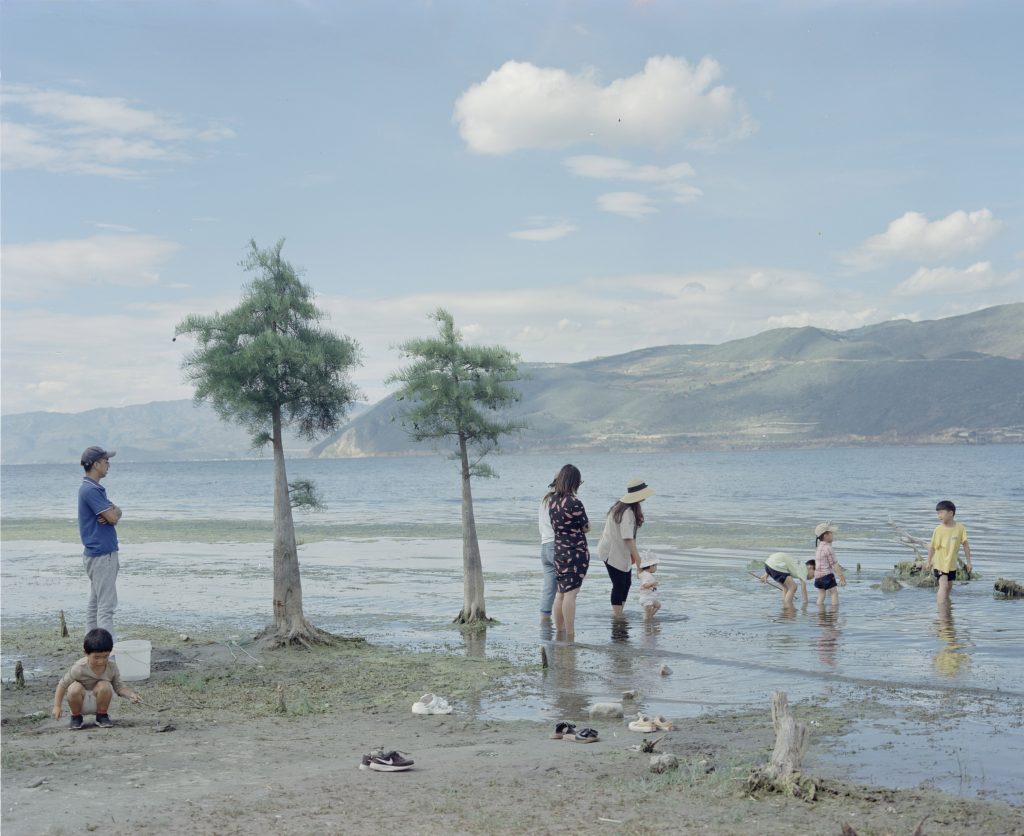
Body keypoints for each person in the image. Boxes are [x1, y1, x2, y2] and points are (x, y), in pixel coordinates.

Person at [52, 628, 142, 730]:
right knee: (74, 688)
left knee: (105, 685)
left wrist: (131, 695)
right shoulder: (79, 668)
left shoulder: (112, 667)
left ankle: (102, 716)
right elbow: (62, 685)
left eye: (105, 656)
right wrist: (57, 706)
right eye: (96, 657)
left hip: (100, 701)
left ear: (110, 653)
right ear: (85, 653)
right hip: (80, 702)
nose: (101, 661)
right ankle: (76, 717)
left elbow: (119, 688)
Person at [78, 446, 123, 639]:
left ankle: (92, 649)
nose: (108, 465)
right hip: (103, 555)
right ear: (96, 464)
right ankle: (106, 653)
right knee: (105, 607)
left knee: (95, 604)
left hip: (95, 554)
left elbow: (116, 513)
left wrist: (113, 512)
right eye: (105, 461)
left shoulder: (92, 489)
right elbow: (113, 518)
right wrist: (112, 514)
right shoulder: (90, 490)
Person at [596, 478, 655, 618]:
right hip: (611, 552)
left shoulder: (623, 507)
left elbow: (629, 538)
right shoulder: (627, 511)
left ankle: (619, 614)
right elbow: (628, 538)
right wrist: (639, 560)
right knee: (619, 584)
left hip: (615, 550)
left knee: (626, 583)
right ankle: (617, 617)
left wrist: (634, 557)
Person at [548, 464, 590, 642]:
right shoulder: (575, 502)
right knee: (571, 594)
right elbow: (586, 527)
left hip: (559, 549)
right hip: (576, 550)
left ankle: (559, 631)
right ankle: (570, 634)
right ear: (574, 482)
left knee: (561, 593)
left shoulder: (552, 502)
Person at [926, 500, 972, 604]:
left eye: (941, 512)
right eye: (938, 513)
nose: (939, 516)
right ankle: (941, 610)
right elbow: (932, 547)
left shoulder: (960, 528)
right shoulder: (938, 529)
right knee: (944, 585)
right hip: (940, 563)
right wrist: (928, 561)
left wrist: (969, 562)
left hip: (951, 564)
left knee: (949, 586)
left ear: (951, 513)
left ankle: (947, 605)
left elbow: (965, 545)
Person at [538, 477, 558, 622]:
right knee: (564, 590)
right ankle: (561, 625)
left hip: (544, 545)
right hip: (555, 545)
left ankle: (544, 622)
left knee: (549, 588)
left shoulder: (545, 499)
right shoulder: (559, 500)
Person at [813, 522, 847, 607]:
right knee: (834, 593)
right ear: (825, 536)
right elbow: (834, 564)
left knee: (821, 595)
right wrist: (841, 577)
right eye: (831, 533)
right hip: (827, 576)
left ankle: (820, 613)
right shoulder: (828, 548)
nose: (832, 535)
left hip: (817, 577)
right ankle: (834, 612)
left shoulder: (819, 547)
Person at [637, 552, 661, 619]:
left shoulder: (645, 574)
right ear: (651, 566)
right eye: (655, 566)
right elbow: (645, 585)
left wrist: (653, 586)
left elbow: (638, 574)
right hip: (646, 599)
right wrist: (652, 584)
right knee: (647, 613)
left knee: (658, 605)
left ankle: (650, 616)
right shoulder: (646, 575)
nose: (656, 568)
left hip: (650, 597)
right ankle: (647, 622)